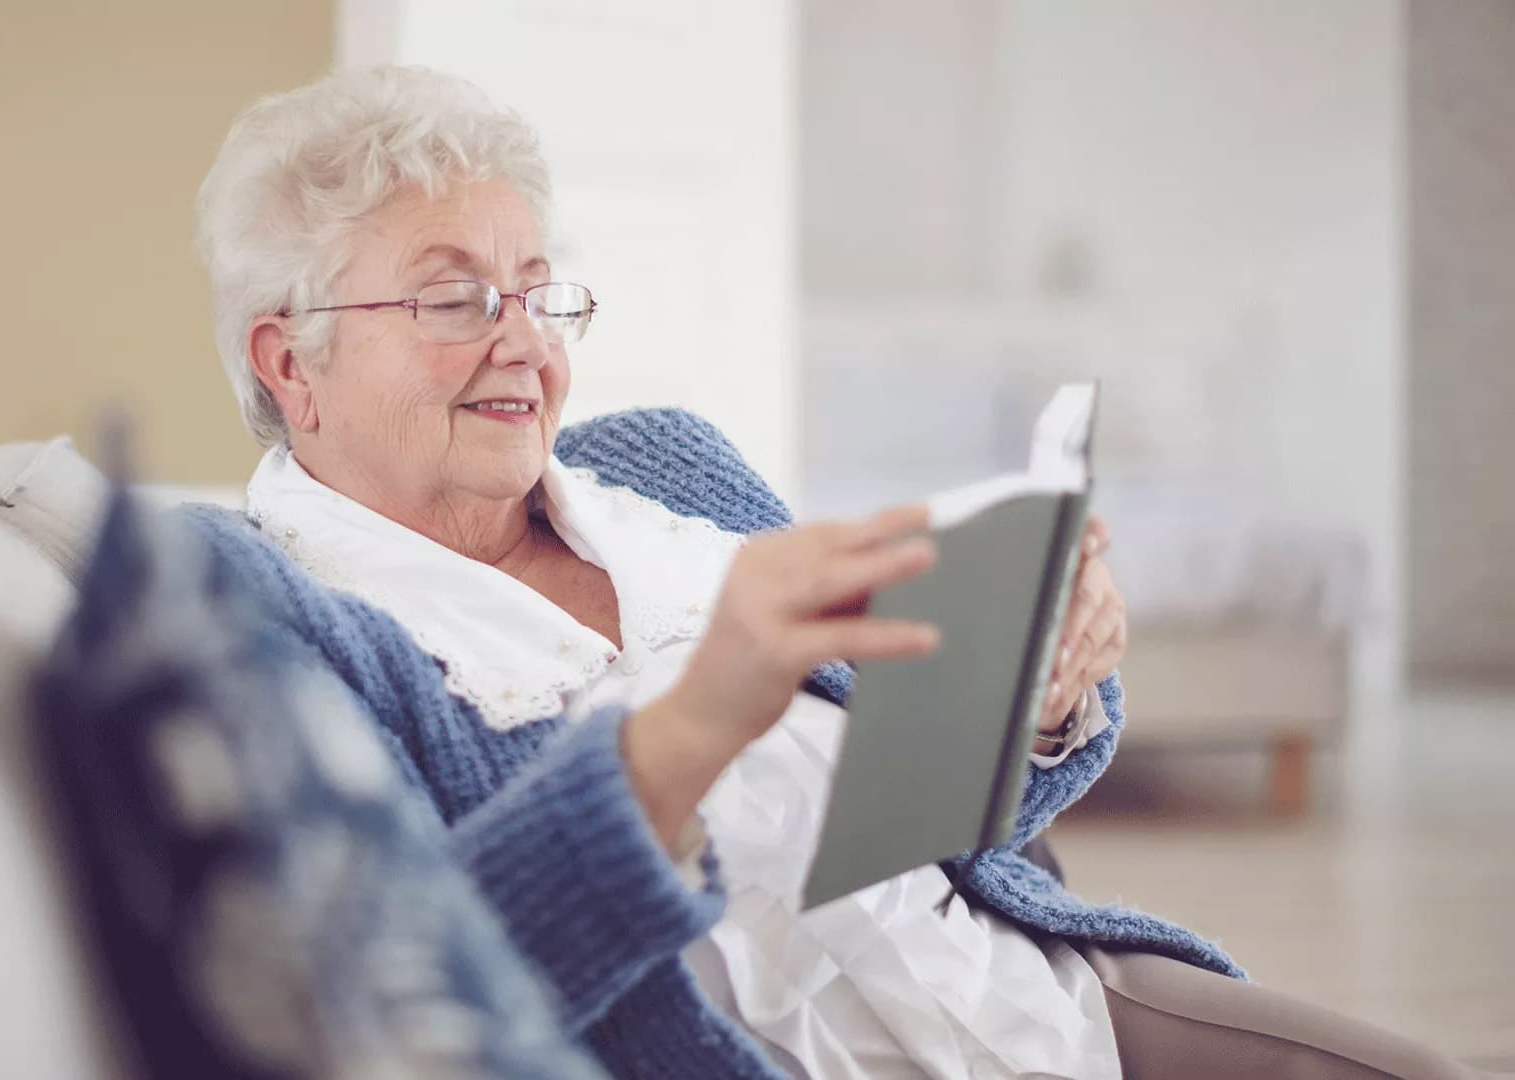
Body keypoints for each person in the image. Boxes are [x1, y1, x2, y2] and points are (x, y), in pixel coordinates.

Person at [185, 64, 1481, 1079]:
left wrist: (1032, 699)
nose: (523, 342)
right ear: (291, 362)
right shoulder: (267, 610)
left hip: (1039, 1011)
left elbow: (943, 824)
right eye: (453, 298)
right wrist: (695, 724)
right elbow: (397, 1005)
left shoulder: (670, 468)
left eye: (537, 291)